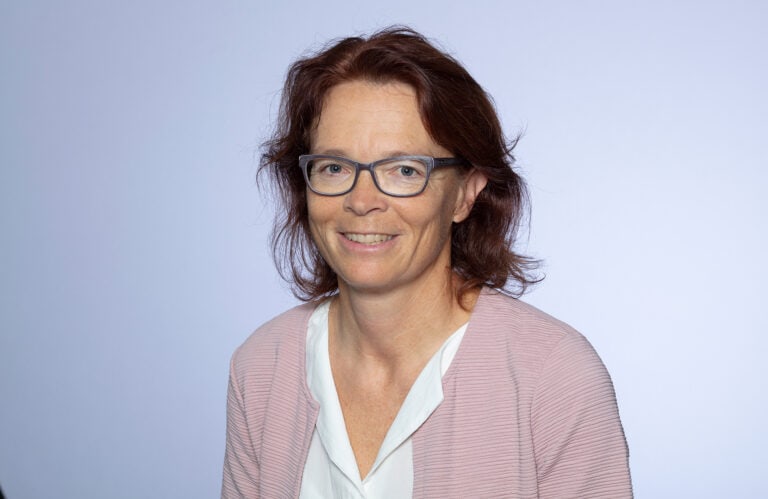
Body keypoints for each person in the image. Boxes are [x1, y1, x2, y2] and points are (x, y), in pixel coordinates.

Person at [222, 27, 632, 498]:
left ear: (465, 193)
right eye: (334, 167)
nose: (362, 201)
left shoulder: (552, 376)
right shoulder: (261, 368)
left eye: (404, 170)